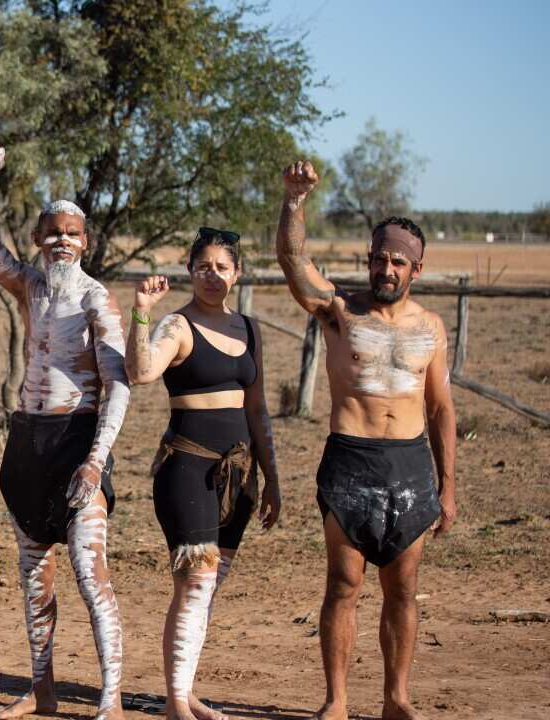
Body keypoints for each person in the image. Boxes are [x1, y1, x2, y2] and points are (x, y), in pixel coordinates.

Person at [276, 161, 457, 720]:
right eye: (378, 257)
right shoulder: (340, 311)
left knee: (402, 591)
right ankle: (336, 699)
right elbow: (293, 262)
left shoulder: (430, 328)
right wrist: (294, 201)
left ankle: (396, 698)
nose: (385, 268)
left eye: (397, 261)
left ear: (416, 269)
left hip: (408, 467)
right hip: (350, 461)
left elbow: (441, 407)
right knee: (344, 585)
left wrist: (447, 487)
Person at [0, 145, 130, 720]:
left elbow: (119, 384)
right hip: (28, 444)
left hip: (78, 442)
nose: (62, 241)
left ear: (85, 242)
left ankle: (112, 698)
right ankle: (43, 690)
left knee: (88, 571)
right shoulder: (30, 286)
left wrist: (95, 461)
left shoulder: (95, 298)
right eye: (52, 232)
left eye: (73, 234)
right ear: (38, 238)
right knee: (35, 576)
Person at [125, 228, 283, 720]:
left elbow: (257, 412)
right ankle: (176, 703)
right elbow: (140, 371)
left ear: (236, 274)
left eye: (222, 267)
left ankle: (184, 691)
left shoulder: (251, 331)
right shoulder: (176, 325)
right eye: (203, 266)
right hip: (187, 469)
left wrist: (272, 478)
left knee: (206, 588)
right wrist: (141, 313)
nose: (212, 275)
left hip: (238, 475)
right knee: (196, 582)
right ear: (190, 270)